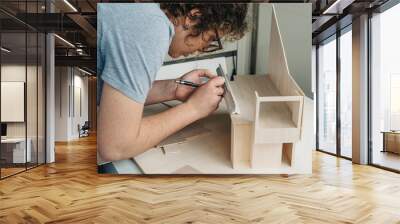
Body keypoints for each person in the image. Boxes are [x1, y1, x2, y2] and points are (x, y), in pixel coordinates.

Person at [97, 3, 248, 162]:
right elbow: (116, 146)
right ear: (193, 17)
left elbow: (110, 94)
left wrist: (173, 88)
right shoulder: (151, 27)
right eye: (210, 38)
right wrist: (194, 108)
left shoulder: (144, 13)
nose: (203, 47)